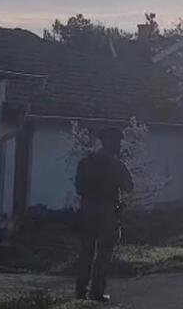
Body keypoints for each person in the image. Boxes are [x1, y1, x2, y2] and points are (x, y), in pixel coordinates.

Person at [74, 127, 133, 303]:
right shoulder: (116, 164)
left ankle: (80, 292)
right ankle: (97, 292)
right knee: (103, 254)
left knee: (86, 252)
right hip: (107, 211)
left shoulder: (85, 162)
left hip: (87, 211)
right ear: (114, 143)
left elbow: (78, 188)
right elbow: (129, 186)